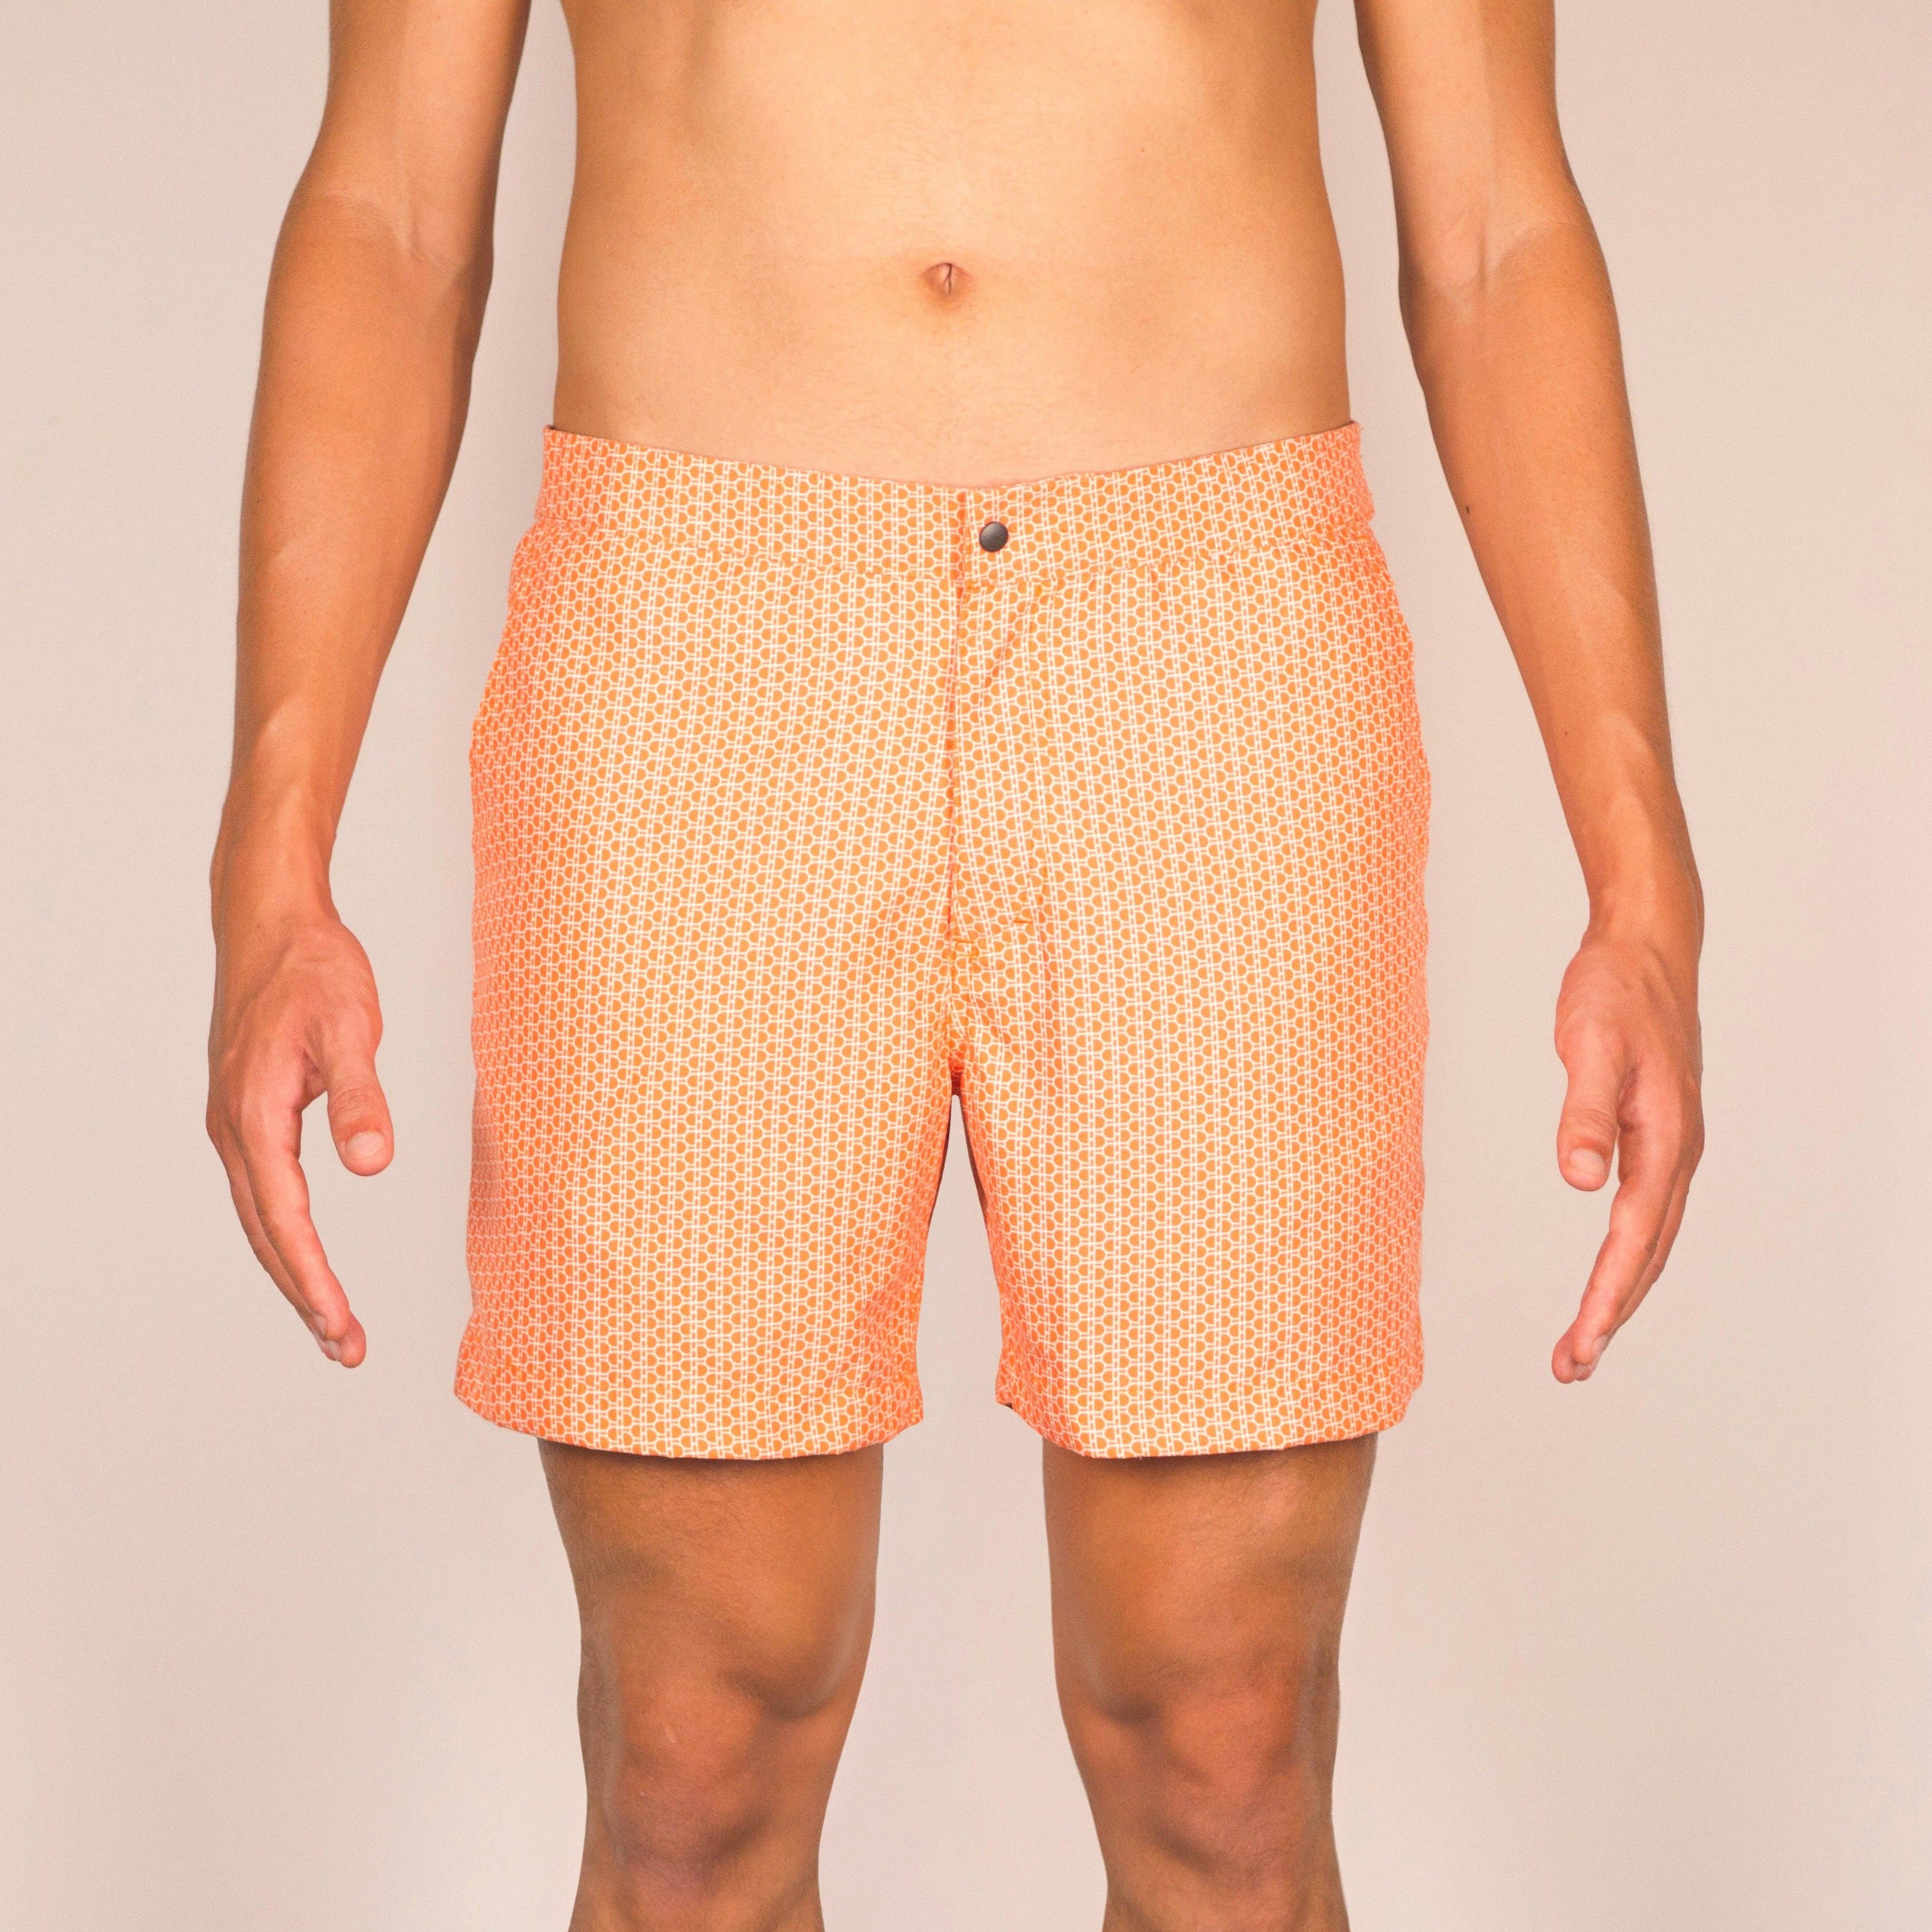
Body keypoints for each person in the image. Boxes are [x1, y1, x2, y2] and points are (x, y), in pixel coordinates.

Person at [205, 0, 1704, 1923]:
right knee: (691, 1767)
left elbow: (1496, 227)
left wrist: (1639, 879)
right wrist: (273, 856)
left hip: (1210, 643)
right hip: (693, 636)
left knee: (1227, 1752)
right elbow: (393, 212)